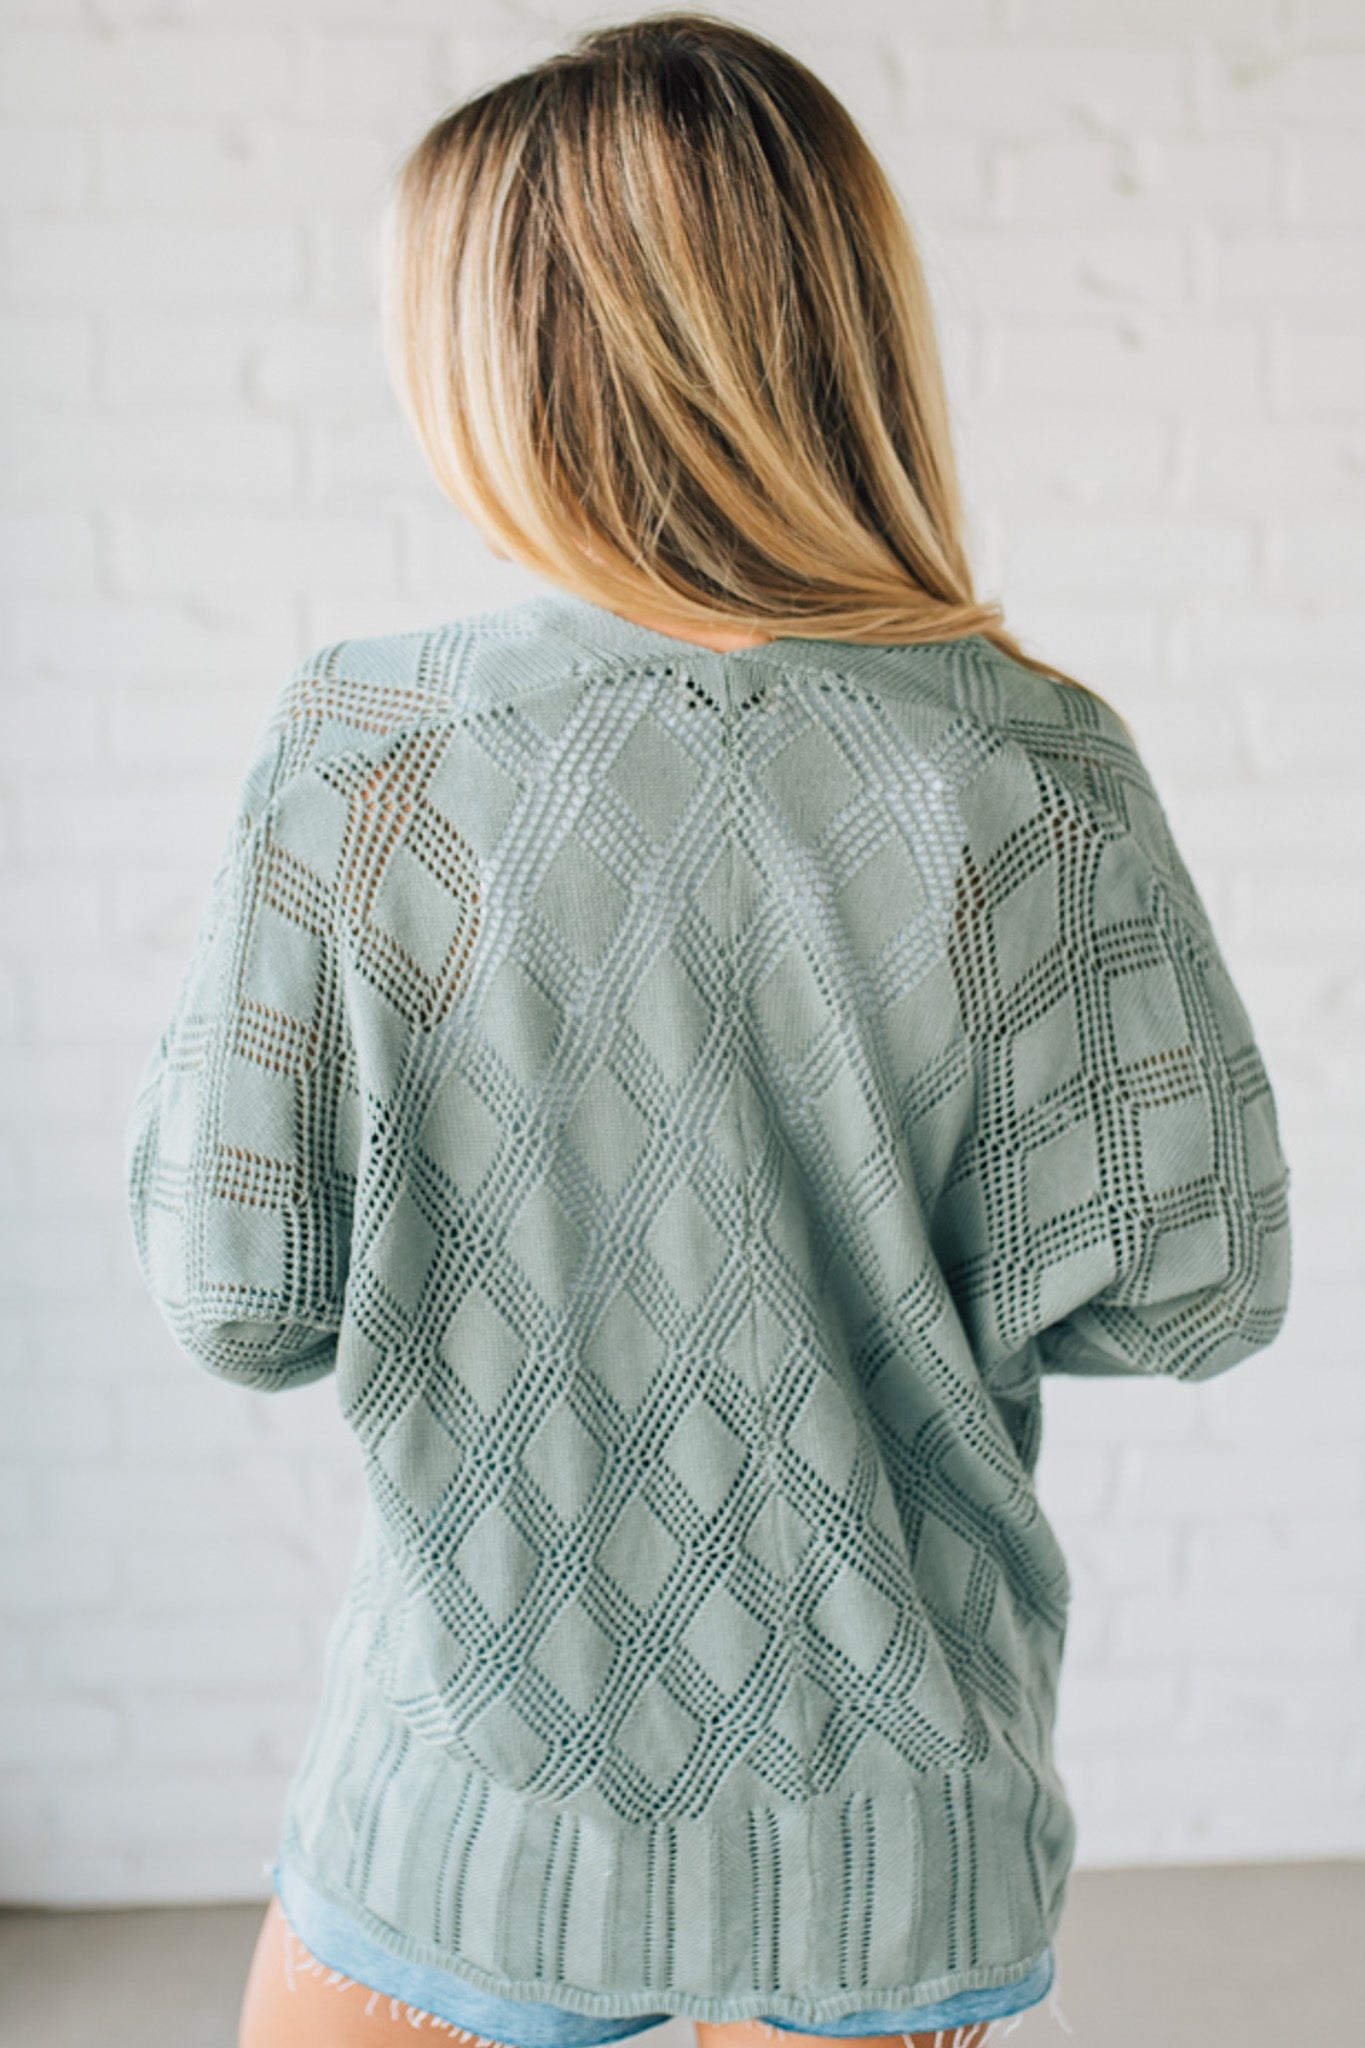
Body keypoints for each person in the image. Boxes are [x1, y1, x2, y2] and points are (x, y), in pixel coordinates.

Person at [122, 13, 1293, 2048]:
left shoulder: (367, 759)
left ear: (502, 364)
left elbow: (239, 1298)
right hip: (885, 1827)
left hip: (475, 1802)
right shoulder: (1035, 769)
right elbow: (1191, 1292)